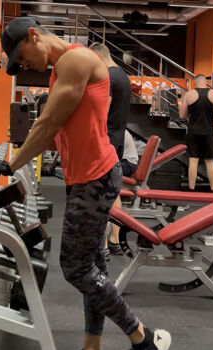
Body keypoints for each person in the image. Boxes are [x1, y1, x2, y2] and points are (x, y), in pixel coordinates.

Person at [0, 17, 171, 350]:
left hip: (95, 177)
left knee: (75, 267)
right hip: (86, 177)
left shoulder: (76, 60)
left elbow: (49, 123)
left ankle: (143, 338)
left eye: (22, 56)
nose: (26, 65)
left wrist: (12, 164)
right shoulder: (60, 70)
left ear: (33, 36)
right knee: (93, 266)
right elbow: (58, 132)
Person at [89, 42, 132, 257]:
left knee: (101, 193)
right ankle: (115, 240)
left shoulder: (108, 77)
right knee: (113, 191)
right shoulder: (123, 77)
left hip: (106, 141)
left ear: (98, 57)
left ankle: (103, 245)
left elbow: (101, 114)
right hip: (118, 140)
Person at [179, 74, 213, 192]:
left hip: (193, 132)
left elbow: (182, 116)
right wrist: (212, 117)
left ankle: (191, 189)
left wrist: (192, 115)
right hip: (208, 132)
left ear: (195, 82)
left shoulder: (189, 94)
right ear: (206, 82)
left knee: (193, 160)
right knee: (210, 162)